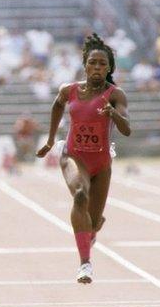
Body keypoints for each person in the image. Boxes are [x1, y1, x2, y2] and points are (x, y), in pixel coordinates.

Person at [37, 33, 131, 284]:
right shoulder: (69, 90)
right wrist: (49, 140)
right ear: (85, 65)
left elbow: (127, 129)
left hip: (101, 163)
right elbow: (57, 105)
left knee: (95, 220)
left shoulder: (115, 94)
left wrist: (114, 114)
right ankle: (85, 264)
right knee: (80, 194)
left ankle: (90, 231)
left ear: (109, 67)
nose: (97, 67)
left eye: (102, 63)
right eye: (93, 62)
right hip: (73, 156)